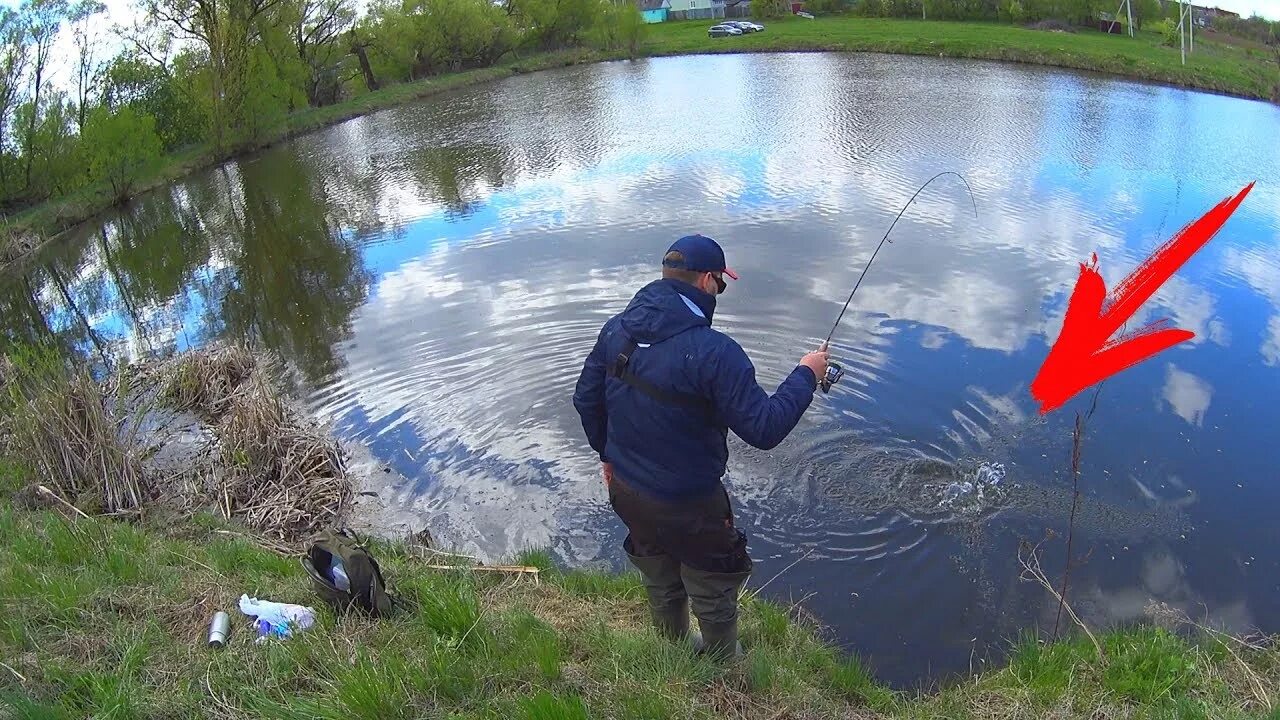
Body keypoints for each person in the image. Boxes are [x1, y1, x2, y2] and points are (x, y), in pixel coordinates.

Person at [572, 233, 829, 659]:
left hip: (627, 490)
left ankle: (672, 654)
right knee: (712, 582)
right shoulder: (715, 353)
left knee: (658, 572)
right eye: (721, 284)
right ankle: (724, 667)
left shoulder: (616, 330)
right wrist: (806, 373)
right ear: (708, 281)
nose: (719, 292)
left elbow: (586, 400)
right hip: (690, 502)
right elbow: (764, 430)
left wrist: (608, 456)